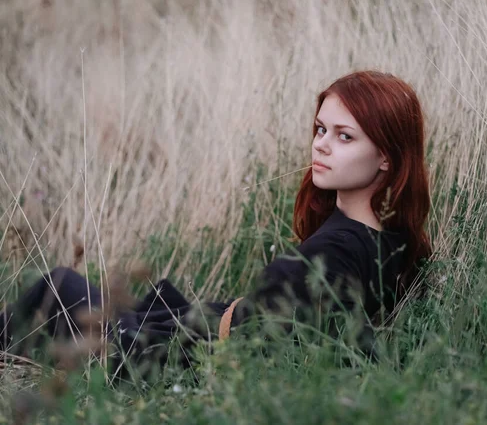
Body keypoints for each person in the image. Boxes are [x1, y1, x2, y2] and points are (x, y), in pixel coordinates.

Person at [0, 70, 432, 379]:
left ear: (385, 157)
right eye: (320, 129)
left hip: (181, 351)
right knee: (62, 291)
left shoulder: (336, 251)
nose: (320, 145)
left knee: (55, 288)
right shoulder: (392, 242)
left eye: (344, 136)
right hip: (197, 328)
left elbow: (258, 348)